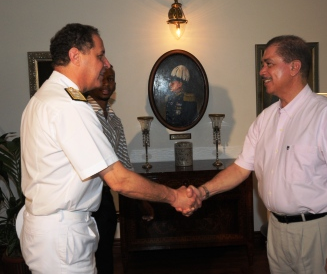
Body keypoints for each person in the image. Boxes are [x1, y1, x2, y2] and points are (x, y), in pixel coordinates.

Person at [19, 23, 198, 274]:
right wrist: (174, 196)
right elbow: (119, 179)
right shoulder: (69, 105)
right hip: (62, 237)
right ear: (75, 56)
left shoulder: (43, 98)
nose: (106, 63)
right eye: (100, 55)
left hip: (50, 231)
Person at [191, 35, 327, 273]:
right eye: (263, 65)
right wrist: (202, 192)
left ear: (294, 67)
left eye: (269, 63)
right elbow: (241, 169)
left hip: (317, 232)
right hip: (275, 231)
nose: (262, 71)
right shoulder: (265, 119)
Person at [87, 65, 154, 273]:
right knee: (87, 260)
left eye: (111, 79)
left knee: (106, 255)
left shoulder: (115, 121)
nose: (107, 83)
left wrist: (142, 200)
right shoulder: (84, 114)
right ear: (92, 81)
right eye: (102, 78)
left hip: (104, 198)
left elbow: (124, 163)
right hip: (84, 199)